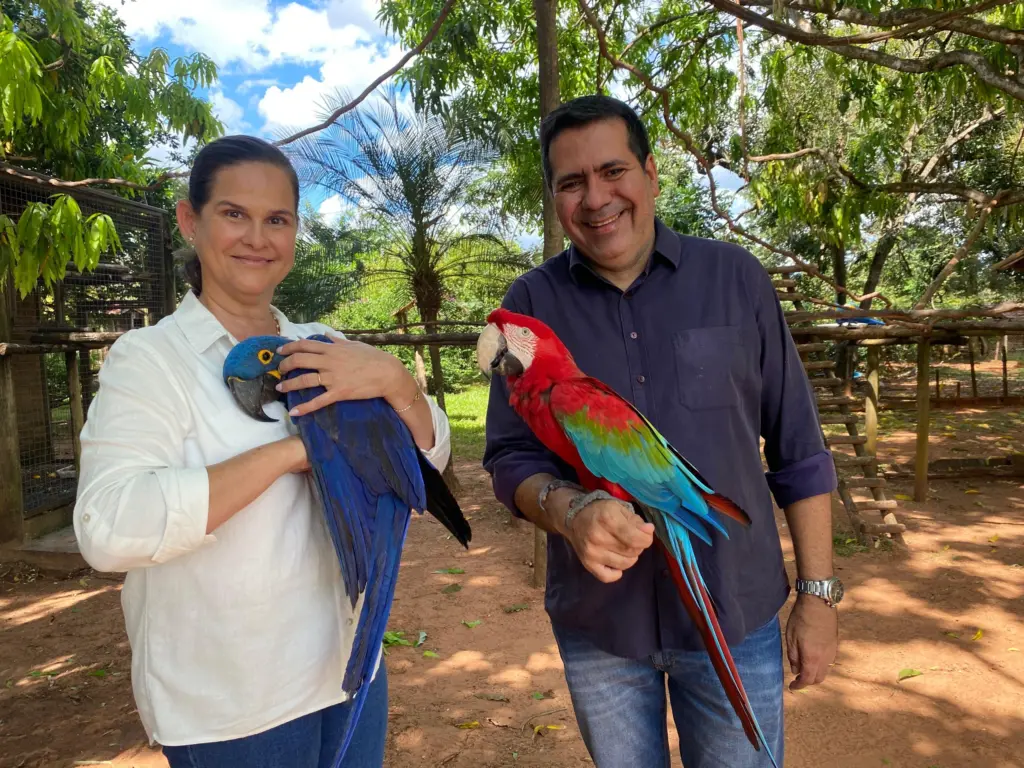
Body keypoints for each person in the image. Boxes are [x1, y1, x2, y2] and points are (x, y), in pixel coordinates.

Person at [483, 95, 841, 767]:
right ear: (555, 198)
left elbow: (799, 449)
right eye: (571, 183)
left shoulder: (736, 278)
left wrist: (817, 596)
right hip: (601, 626)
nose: (596, 198)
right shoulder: (527, 308)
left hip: (735, 607)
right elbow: (507, 456)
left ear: (650, 172)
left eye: (613, 170)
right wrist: (571, 511)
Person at [74, 135, 451, 768]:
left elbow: (425, 460)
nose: (257, 237)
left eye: (276, 219)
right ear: (190, 220)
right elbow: (108, 530)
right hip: (233, 702)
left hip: (347, 666)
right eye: (233, 214)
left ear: (295, 231)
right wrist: (293, 453)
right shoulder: (148, 361)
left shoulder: (321, 344)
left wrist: (397, 384)